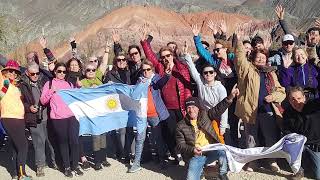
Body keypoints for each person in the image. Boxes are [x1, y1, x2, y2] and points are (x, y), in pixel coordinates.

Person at [235, 28, 286, 172]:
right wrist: (238, 42)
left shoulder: (271, 73)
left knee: (270, 137)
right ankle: (253, 162)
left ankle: (272, 161)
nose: (261, 59)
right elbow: (239, 60)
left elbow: (281, 91)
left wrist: (273, 97)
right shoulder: (247, 70)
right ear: (253, 58)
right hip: (250, 110)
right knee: (251, 139)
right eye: (258, 58)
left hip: (267, 110)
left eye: (263, 58)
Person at [140, 24, 191, 164]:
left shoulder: (181, 68)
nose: (165, 58)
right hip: (167, 107)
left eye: (168, 55)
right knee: (171, 132)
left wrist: (187, 104)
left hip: (181, 106)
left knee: (184, 132)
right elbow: (150, 56)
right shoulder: (160, 68)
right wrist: (144, 42)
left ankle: (187, 156)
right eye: (163, 57)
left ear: (173, 55)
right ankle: (176, 155)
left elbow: (186, 86)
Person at [176, 85, 239, 180]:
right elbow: (180, 145)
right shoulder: (180, 125)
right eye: (188, 107)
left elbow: (218, 108)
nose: (191, 110)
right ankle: (201, 170)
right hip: (196, 154)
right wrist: (193, 149)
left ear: (198, 108)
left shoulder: (205, 115)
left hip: (211, 150)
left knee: (222, 151)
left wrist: (230, 97)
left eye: (193, 107)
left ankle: (222, 173)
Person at [40, 63, 83, 177]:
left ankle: (75, 166)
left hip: (72, 116)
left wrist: (79, 87)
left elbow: (77, 97)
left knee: (74, 141)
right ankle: (67, 167)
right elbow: (43, 101)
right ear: (55, 72)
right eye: (59, 71)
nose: (62, 74)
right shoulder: (49, 84)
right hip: (58, 118)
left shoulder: (69, 83)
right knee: (63, 142)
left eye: (64, 72)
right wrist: (51, 91)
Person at [128, 60, 170, 173]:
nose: (146, 72)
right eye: (144, 70)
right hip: (142, 116)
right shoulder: (139, 81)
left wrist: (167, 75)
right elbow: (134, 95)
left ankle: (162, 160)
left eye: (148, 69)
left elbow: (161, 83)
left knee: (158, 139)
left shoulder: (156, 79)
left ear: (152, 69)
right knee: (140, 138)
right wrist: (141, 84)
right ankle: (136, 163)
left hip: (154, 115)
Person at [20, 62, 57, 177]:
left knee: (51, 141)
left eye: (37, 73)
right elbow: (21, 101)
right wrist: (29, 107)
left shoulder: (44, 80)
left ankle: (55, 161)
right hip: (33, 117)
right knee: (38, 142)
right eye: (32, 74)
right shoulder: (22, 84)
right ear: (27, 72)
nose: (35, 75)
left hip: (48, 115)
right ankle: (40, 165)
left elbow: (56, 76)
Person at [184, 52, 229, 144]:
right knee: (204, 139)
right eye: (205, 73)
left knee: (219, 139)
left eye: (211, 72)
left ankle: (224, 156)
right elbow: (193, 71)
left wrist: (223, 126)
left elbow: (224, 108)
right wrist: (187, 56)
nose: (208, 74)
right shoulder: (201, 83)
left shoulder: (220, 88)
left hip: (216, 117)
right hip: (203, 116)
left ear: (215, 74)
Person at [79, 46, 111, 171]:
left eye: (93, 69)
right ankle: (97, 161)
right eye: (88, 70)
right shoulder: (83, 83)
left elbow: (103, 63)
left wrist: (107, 51)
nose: (91, 71)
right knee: (96, 136)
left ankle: (103, 158)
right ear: (85, 71)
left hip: (102, 112)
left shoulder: (98, 77)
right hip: (92, 114)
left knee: (103, 136)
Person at [0, 60, 31, 180]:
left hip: (19, 118)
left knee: (15, 146)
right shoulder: (3, 83)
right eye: (10, 71)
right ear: (5, 71)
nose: (13, 73)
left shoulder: (15, 86)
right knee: (23, 145)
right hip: (9, 117)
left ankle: (15, 173)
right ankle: (22, 175)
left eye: (15, 71)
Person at [104, 51, 135, 163]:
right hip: (117, 105)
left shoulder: (129, 72)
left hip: (129, 103)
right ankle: (124, 153)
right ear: (115, 62)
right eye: (119, 60)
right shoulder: (110, 74)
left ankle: (132, 153)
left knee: (130, 129)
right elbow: (105, 89)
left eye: (123, 60)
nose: (121, 61)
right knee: (122, 130)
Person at [282, 86, 320, 180]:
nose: (296, 102)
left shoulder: (315, 107)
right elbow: (286, 130)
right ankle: (299, 171)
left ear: (304, 97)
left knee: (318, 176)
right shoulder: (288, 113)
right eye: (293, 99)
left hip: (315, 144)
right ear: (289, 100)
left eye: (299, 98)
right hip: (299, 145)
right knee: (288, 144)